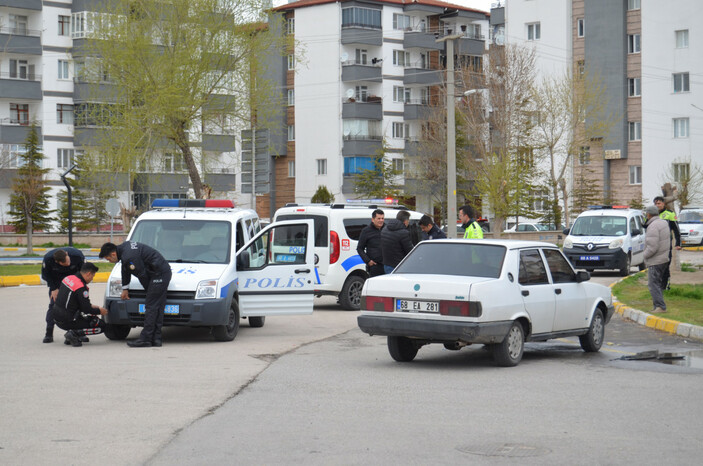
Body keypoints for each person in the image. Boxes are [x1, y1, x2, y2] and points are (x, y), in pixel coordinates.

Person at [99, 241, 172, 347]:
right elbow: (125, 269)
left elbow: (142, 275)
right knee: (158, 306)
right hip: (158, 272)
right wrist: (125, 288)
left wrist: (150, 291)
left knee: (151, 306)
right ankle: (156, 338)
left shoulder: (129, 256)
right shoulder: (124, 249)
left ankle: (146, 339)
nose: (110, 261)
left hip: (159, 274)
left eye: (108, 259)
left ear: (113, 254)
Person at [52, 262, 108, 347]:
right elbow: (87, 310)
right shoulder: (81, 287)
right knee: (100, 326)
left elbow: (73, 301)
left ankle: (71, 336)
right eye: (92, 276)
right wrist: (100, 311)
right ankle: (74, 333)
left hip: (56, 316)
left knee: (84, 317)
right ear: (88, 274)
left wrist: (91, 306)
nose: (92, 279)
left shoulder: (68, 278)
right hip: (66, 320)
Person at [40, 247, 85, 343]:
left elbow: (83, 273)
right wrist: (53, 288)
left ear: (67, 254)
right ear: (57, 262)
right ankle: (49, 333)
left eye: (68, 262)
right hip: (56, 283)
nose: (68, 264)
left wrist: (80, 288)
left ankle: (76, 332)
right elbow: (46, 275)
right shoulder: (48, 259)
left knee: (77, 307)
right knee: (54, 306)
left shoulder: (77, 256)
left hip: (74, 282)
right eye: (65, 264)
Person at [643, 205, 670, 314]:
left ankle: (660, 307)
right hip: (663, 258)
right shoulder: (663, 223)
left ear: (648, 214)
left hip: (656, 260)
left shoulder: (653, 226)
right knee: (657, 284)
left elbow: (652, 247)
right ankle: (657, 306)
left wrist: (644, 255)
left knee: (653, 284)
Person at [654, 196, 682, 290]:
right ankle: (657, 285)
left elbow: (676, 229)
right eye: (656, 204)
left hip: (665, 244)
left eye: (659, 203)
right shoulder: (652, 215)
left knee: (665, 264)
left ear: (663, 204)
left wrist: (678, 243)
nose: (657, 205)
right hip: (655, 244)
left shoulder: (669, 214)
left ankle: (665, 285)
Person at [357, 209, 385, 277]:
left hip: (387, 266)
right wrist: (368, 261)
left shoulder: (387, 229)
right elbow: (359, 248)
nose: (381, 220)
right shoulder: (366, 231)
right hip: (375, 266)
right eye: (378, 218)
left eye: (382, 218)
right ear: (373, 219)